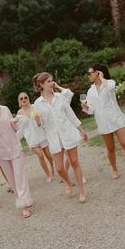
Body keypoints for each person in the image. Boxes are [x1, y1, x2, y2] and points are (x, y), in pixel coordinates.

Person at [81, 63, 125, 180]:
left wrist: (101, 77)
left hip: (116, 119)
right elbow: (91, 110)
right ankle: (114, 169)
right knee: (110, 148)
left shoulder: (109, 83)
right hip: (103, 122)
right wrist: (85, 108)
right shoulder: (90, 91)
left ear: (98, 72)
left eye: (90, 73)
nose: (88, 75)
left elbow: (109, 88)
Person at [33, 72, 88, 203]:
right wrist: (38, 122)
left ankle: (81, 191)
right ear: (41, 85)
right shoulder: (37, 104)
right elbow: (40, 126)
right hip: (54, 138)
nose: (52, 83)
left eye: (52, 80)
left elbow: (71, 115)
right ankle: (69, 183)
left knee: (74, 162)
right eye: (48, 81)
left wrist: (82, 130)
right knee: (59, 168)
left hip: (67, 133)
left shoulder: (60, 97)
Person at [0, 89, 33, 218]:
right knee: (12, 179)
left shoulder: (5, 109)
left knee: (20, 176)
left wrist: (14, 123)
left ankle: (24, 205)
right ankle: (21, 201)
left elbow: (14, 127)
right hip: (1, 150)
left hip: (14, 146)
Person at [16, 92, 54, 182]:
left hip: (41, 134)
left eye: (25, 97)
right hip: (31, 138)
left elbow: (42, 121)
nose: (24, 99)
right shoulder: (19, 114)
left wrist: (38, 122)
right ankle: (48, 174)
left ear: (28, 98)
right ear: (19, 101)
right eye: (21, 98)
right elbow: (20, 128)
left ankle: (52, 167)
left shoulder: (35, 107)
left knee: (48, 155)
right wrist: (17, 138)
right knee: (40, 156)